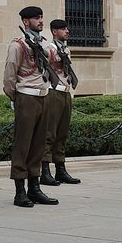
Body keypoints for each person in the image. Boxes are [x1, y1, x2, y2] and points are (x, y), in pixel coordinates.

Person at [3, 7, 59, 208]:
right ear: (25, 22)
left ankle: (35, 187)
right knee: (23, 144)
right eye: (36, 18)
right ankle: (20, 191)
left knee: (39, 144)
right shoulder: (18, 45)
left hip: (43, 95)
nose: (41, 20)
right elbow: (10, 72)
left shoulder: (44, 44)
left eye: (42, 17)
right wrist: (15, 96)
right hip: (26, 96)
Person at [40, 19, 80, 187]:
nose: (67, 31)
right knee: (49, 133)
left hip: (65, 93)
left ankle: (60, 169)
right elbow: (43, 72)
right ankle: (45, 171)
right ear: (54, 32)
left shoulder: (66, 50)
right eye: (63, 29)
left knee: (62, 134)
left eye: (66, 28)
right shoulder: (48, 49)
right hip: (53, 92)